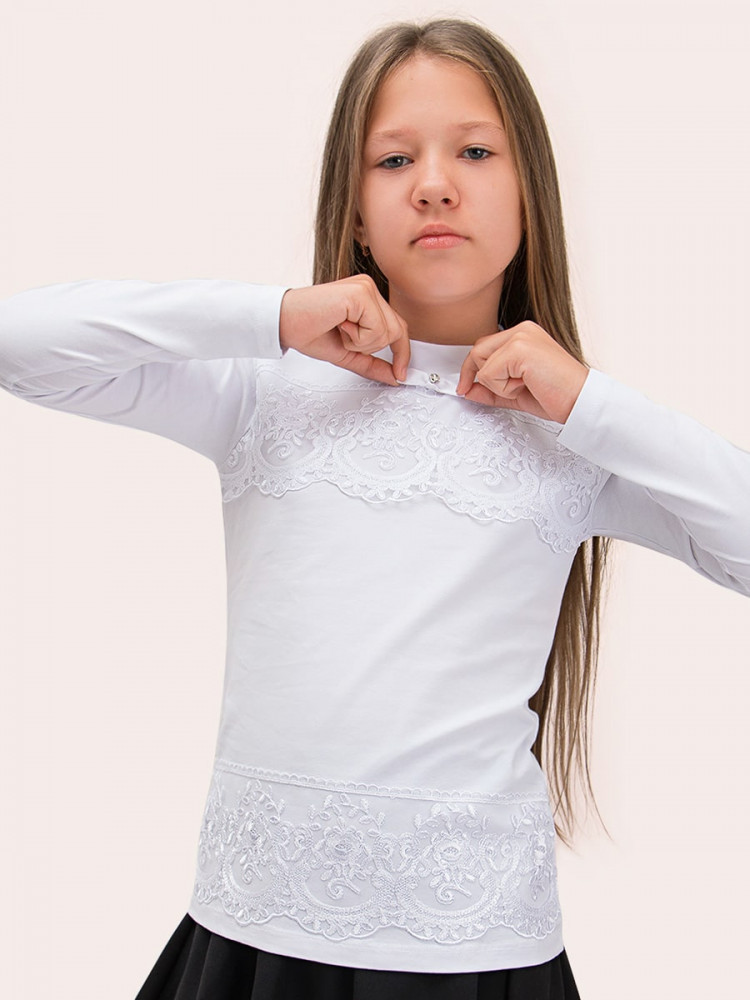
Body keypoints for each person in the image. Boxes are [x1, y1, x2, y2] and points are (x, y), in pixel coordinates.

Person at [1, 15, 748, 1000]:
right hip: (255, 933)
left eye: (475, 152)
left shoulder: (574, 435)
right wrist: (271, 316)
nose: (433, 184)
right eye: (394, 159)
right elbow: (19, 343)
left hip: (475, 952)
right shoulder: (262, 390)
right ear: (354, 210)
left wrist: (590, 404)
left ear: (531, 189)